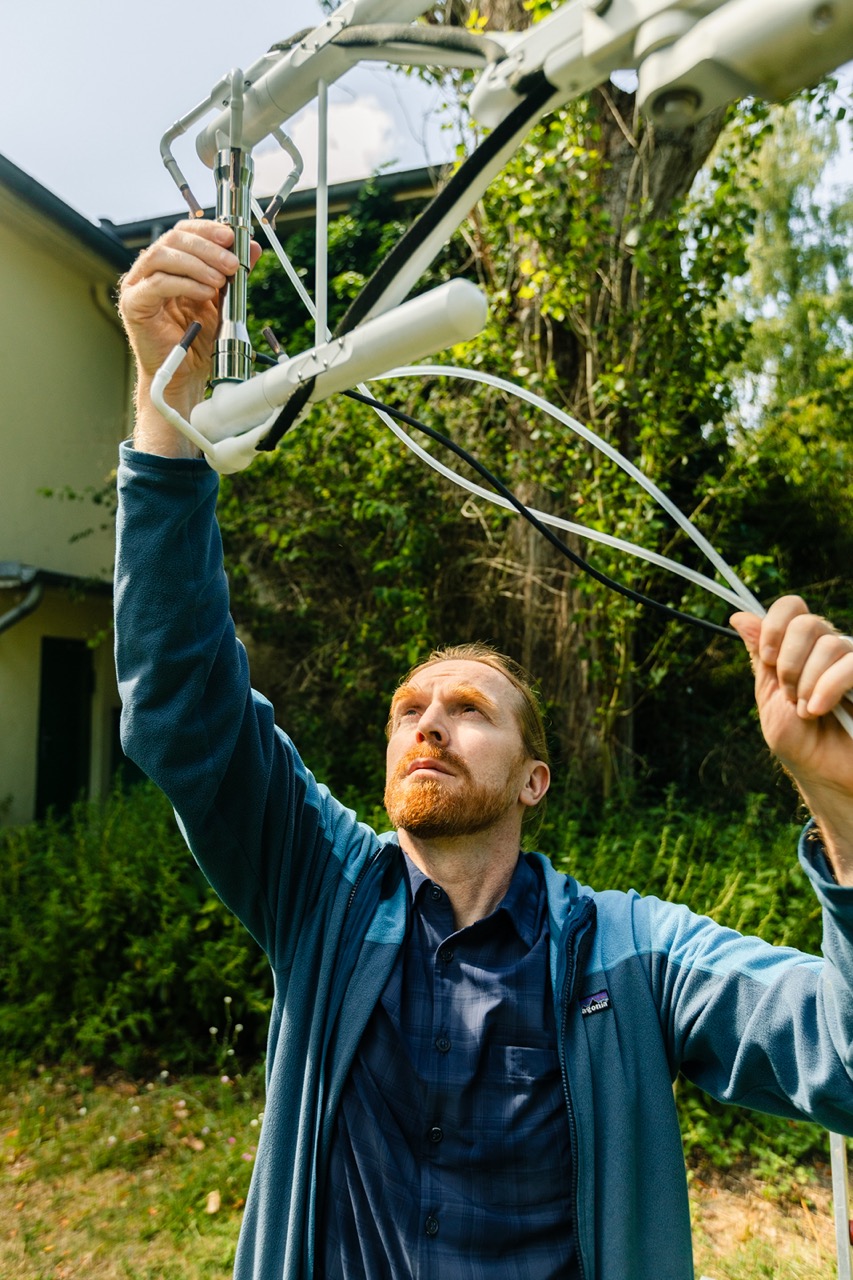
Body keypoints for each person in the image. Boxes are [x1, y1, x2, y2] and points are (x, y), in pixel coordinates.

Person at [115, 220, 853, 1280]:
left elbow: (843, 1052)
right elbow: (182, 705)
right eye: (409, 706)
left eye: (468, 707)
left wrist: (842, 809)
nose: (427, 721)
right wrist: (165, 410)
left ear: (533, 776)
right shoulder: (320, 890)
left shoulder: (634, 957)